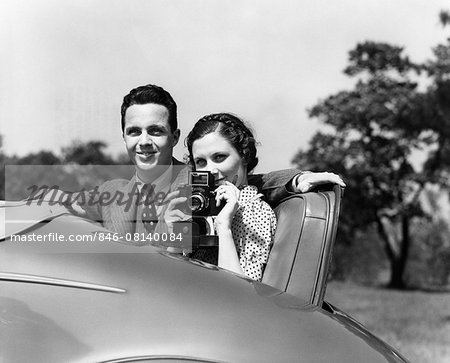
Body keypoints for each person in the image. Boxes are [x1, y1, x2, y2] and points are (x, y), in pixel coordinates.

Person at [49, 84, 345, 239]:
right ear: (124, 137)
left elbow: (249, 180)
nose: (144, 142)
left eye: (156, 131)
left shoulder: (200, 178)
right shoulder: (111, 191)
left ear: (175, 136)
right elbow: (57, 203)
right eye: (134, 132)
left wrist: (296, 180)